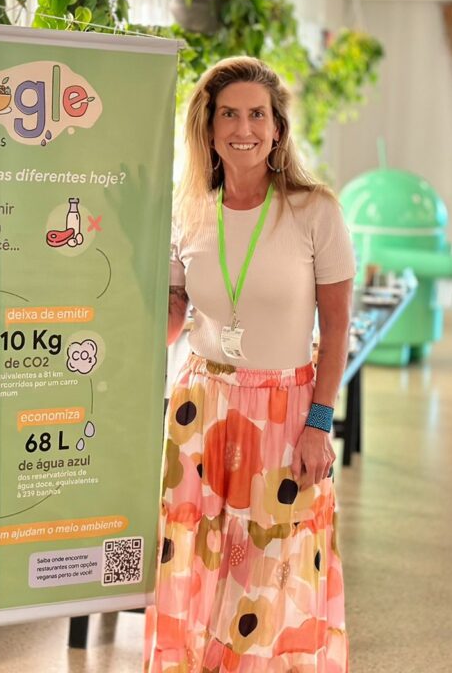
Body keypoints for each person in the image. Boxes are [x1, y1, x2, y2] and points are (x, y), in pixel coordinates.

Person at [145, 56, 354, 672]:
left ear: (277, 128)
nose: (244, 128)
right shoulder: (189, 210)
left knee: (269, 566)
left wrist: (320, 422)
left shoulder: (315, 211)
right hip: (200, 407)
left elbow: (336, 327)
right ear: (207, 128)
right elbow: (173, 316)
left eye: (257, 115)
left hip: (284, 408)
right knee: (195, 556)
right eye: (229, 114)